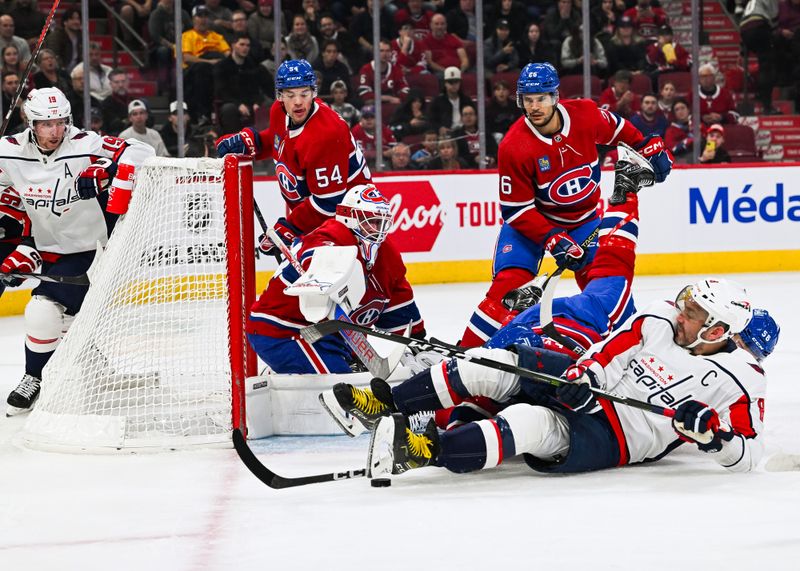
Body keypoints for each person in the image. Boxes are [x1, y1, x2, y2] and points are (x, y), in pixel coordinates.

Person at [329, 278, 773, 479]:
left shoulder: (739, 380)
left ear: (716, 331)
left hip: (619, 435)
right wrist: (585, 373)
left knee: (528, 423)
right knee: (490, 361)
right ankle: (386, 403)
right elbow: (611, 351)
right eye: (685, 304)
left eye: (692, 313)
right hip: (592, 387)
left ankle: (424, 451)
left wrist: (715, 440)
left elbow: (751, 454)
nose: (681, 313)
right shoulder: (660, 318)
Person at [459, 63, 673, 348]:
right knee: (509, 288)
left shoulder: (584, 114)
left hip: (584, 222)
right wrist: (552, 238)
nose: (535, 107)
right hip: (531, 226)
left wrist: (648, 146)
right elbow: (516, 210)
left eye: (542, 99)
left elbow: (621, 131)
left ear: (555, 97)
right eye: (528, 100)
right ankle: (464, 353)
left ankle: (630, 351)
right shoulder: (513, 146)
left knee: (609, 290)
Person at [0, 87, 155, 415]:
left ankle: (33, 377)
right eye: (46, 124)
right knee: (70, 322)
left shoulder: (85, 142)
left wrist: (107, 171)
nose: (56, 131)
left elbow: (143, 150)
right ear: (31, 123)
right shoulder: (10, 151)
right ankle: (96, 368)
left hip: (92, 248)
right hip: (47, 246)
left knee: (42, 310)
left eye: (61, 122)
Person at [246, 183, 424, 374]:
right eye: (371, 222)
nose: (378, 230)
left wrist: (418, 342)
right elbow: (315, 253)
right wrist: (323, 272)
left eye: (381, 223)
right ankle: (283, 374)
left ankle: (287, 375)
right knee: (343, 386)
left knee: (360, 384)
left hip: (328, 336)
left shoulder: (386, 256)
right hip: (283, 329)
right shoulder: (332, 238)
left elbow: (399, 306)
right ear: (350, 219)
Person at [216, 58, 371, 255]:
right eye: (290, 95)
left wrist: (289, 229)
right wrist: (251, 143)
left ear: (314, 92)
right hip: (315, 222)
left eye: (304, 94)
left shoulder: (326, 134)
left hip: (349, 225)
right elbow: (279, 140)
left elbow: (329, 203)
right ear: (280, 96)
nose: (298, 102)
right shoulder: (279, 112)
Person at [213, 33, 273, 135]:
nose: (245, 48)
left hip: (251, 101)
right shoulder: (222, 66)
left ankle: (264, 141)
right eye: (242, 44)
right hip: (231, 102)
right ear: (233, 46)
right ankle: (236, 144)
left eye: (247, 45)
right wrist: (238, 105)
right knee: (229, 109)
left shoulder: (253, 66)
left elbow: (260, 88)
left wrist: (257, 102)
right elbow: (221, 91)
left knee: (269, 104)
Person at [357, 38, 409, 104]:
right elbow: (364, 94)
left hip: (392, 106)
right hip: (373, 107)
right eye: (381, 51)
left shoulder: (395, 69)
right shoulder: (366, 69)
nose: (385, 54)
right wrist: (388, 98)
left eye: (387, 51)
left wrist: (398, 98)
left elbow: (406, 90)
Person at [451, 104, 498, 168]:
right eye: (465, 114)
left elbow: (495, 151)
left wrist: (493, 158)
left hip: (487, 167)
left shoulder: (485, 133)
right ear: (461, 118)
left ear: (476, 117)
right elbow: (457, 156)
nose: (468, 117)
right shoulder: (457, 135)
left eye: (471, 114)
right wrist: (473, 159)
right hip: (466, 169)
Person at [429, 66, 471, 136]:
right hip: (447, 134)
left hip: (465, 133)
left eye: (456, 82)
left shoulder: (466, 100)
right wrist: (440, 128)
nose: (454, 85)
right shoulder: (437, 101)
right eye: (451, 82)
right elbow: (431, 120)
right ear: (445, 83)